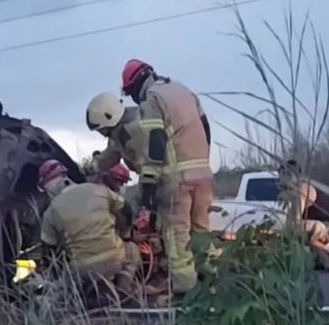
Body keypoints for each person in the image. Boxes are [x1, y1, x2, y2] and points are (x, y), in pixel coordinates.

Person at [119, 59, 213, 294]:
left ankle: (185, 294)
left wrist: (148, 188)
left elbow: (157, 142)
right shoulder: (183, 90)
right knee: (202, 232)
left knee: (177, 237)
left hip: (176, 180)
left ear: (136, 83)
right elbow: (206, 127)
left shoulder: (152, 99)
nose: (132, 97)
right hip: (203, 176)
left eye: (130, 92)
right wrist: (203, 162)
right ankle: (210, 284)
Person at [38, 159, 139, 301]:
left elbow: (49, 255)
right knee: (132, 250)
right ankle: (123, 289)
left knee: (57, 290)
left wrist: (59, 277)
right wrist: (123, 234)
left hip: (82, 271)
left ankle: (74, 299)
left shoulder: (50, 212)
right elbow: (127, 210)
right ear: (65, 177)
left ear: (47, 186)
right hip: (114, 260)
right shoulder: (97, 189)